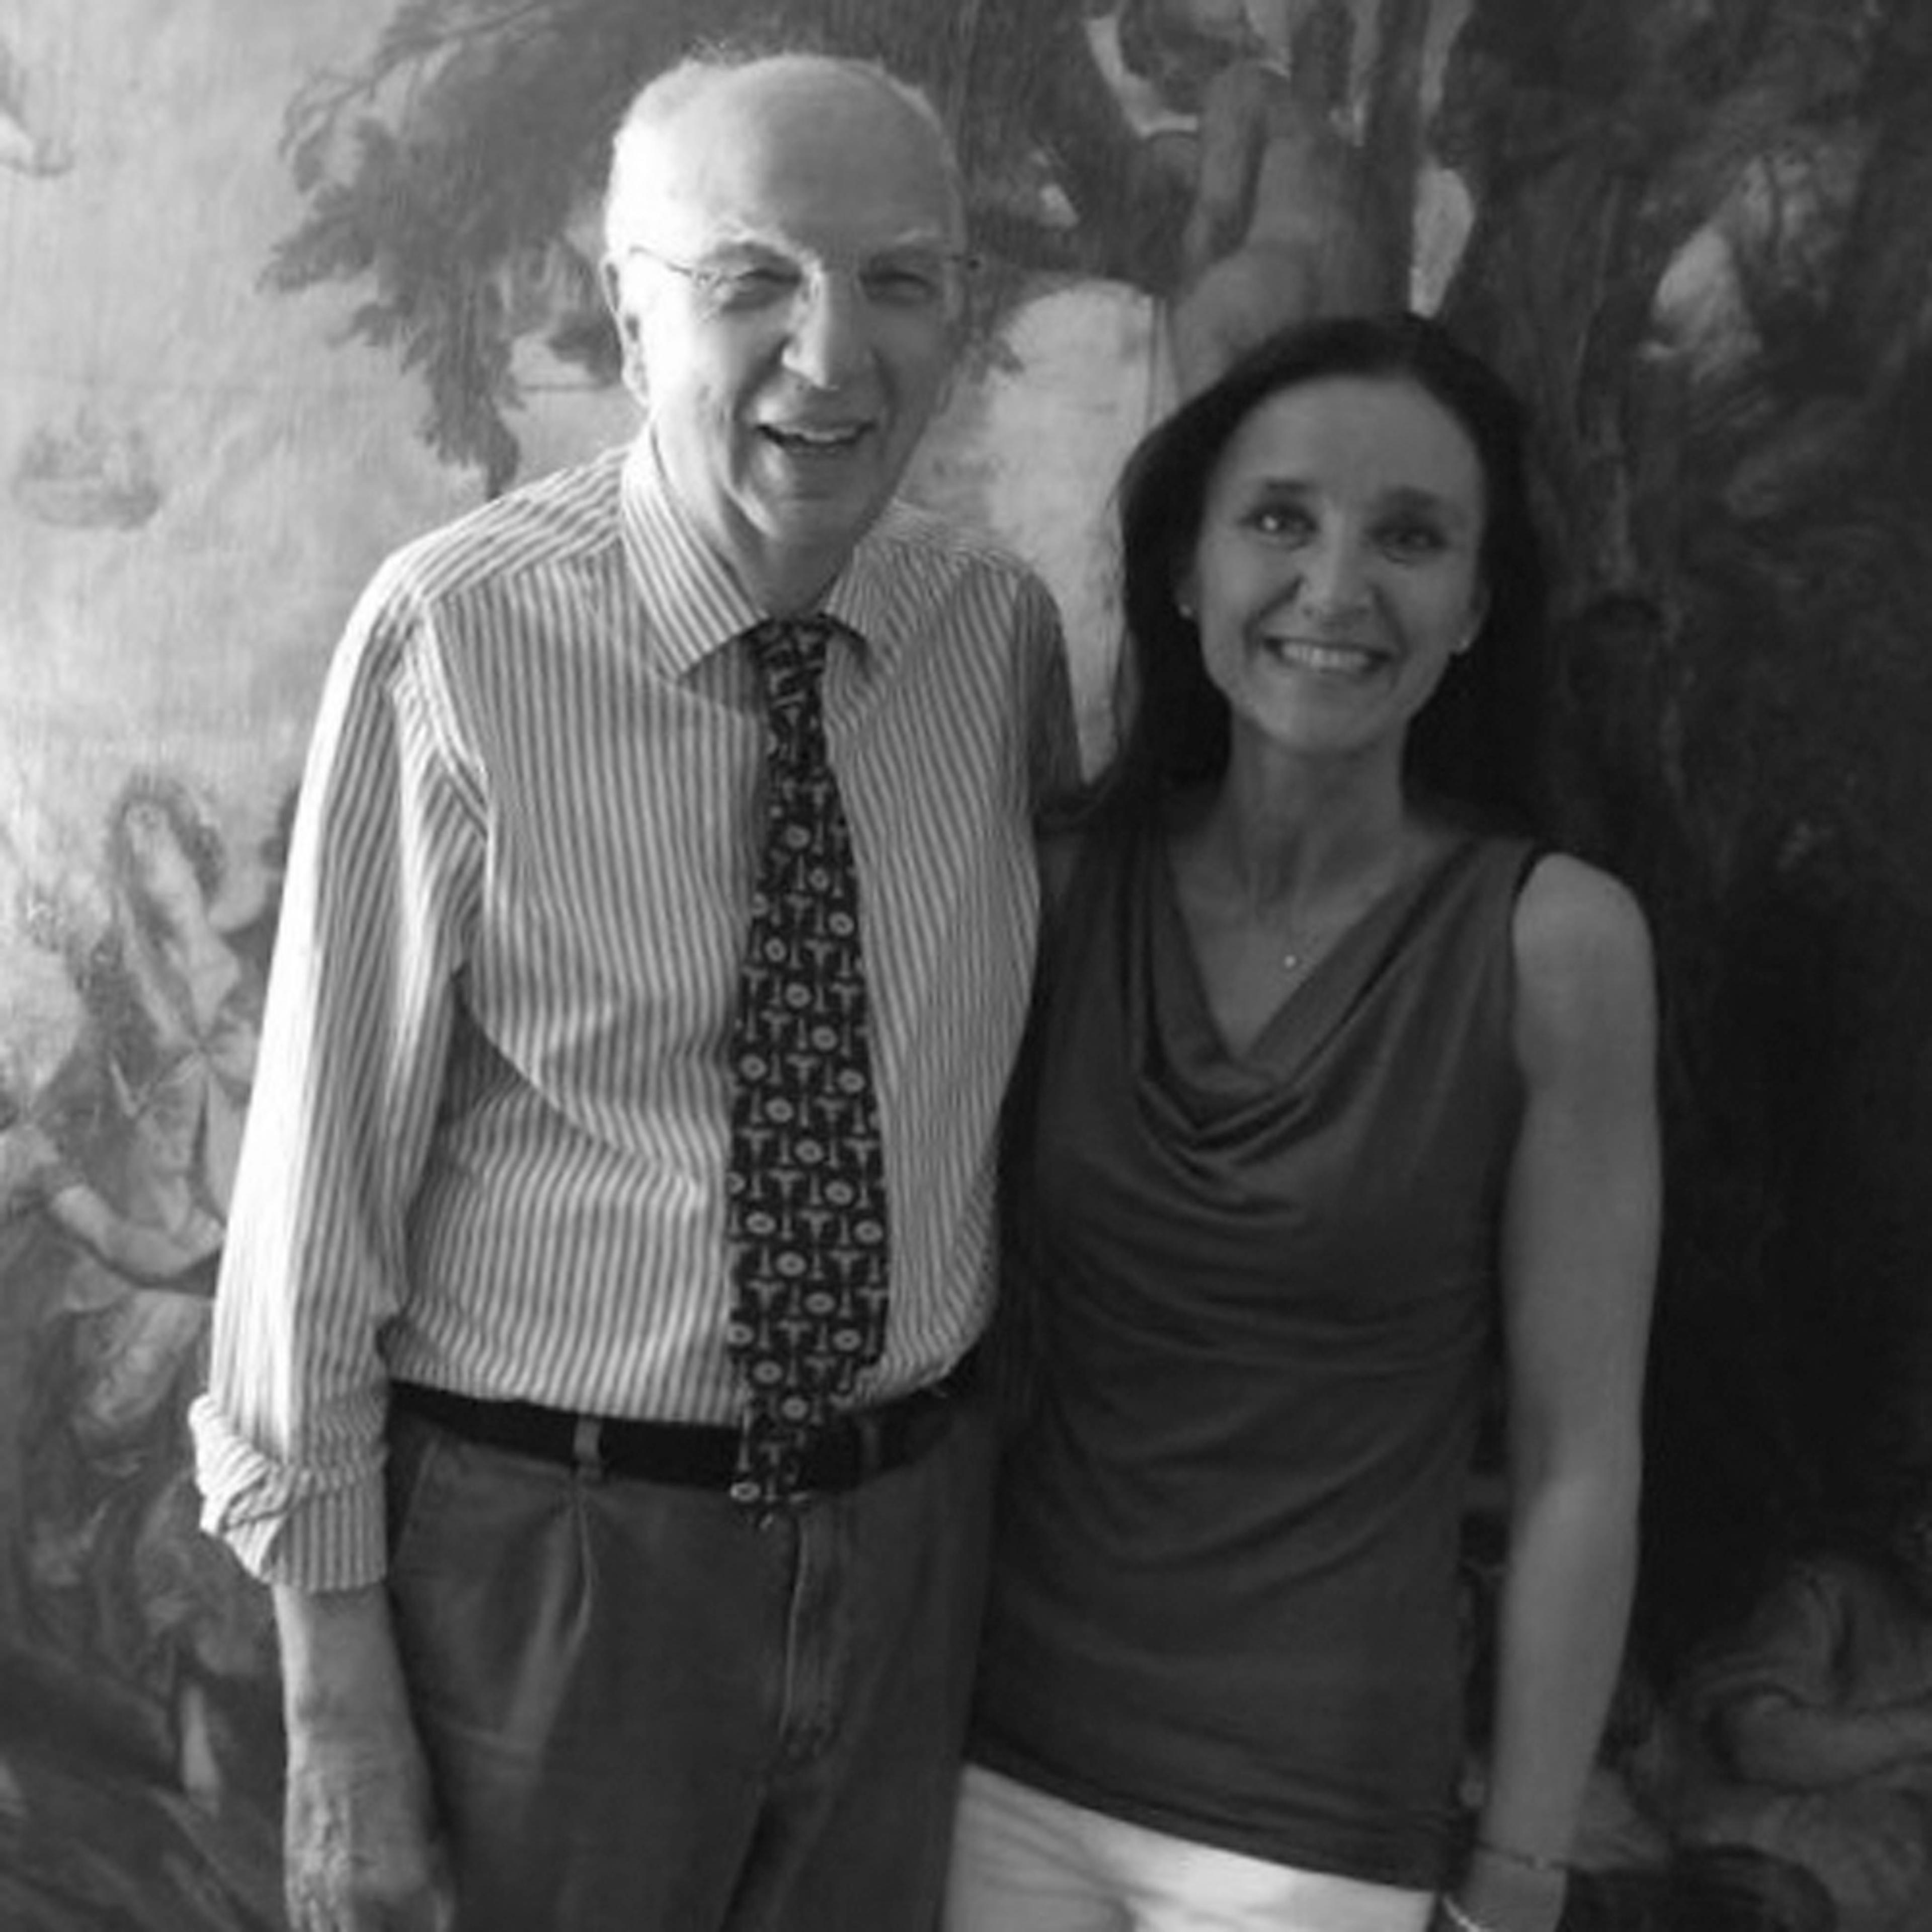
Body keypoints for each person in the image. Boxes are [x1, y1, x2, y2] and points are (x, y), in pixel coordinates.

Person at [191, 45, 1073, 1932]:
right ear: (626, 305)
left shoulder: (997, 637)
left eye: (898, 279)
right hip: (550, 1566)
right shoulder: (457, 633)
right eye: (753, 278)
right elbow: (311, 1218)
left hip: (912, 1544)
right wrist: (338, 1713)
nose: (832, 354)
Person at [948, 312, 1660, 1932]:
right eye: (1280, 519)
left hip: (1317, 1831)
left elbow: (1579, 1458)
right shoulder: (1052, 888)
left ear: (1477, 607)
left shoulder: (1558, 946)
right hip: (989, 1769)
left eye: (1409, 538)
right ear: (1185, 568)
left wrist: (1522, 1873)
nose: (1335, 586)